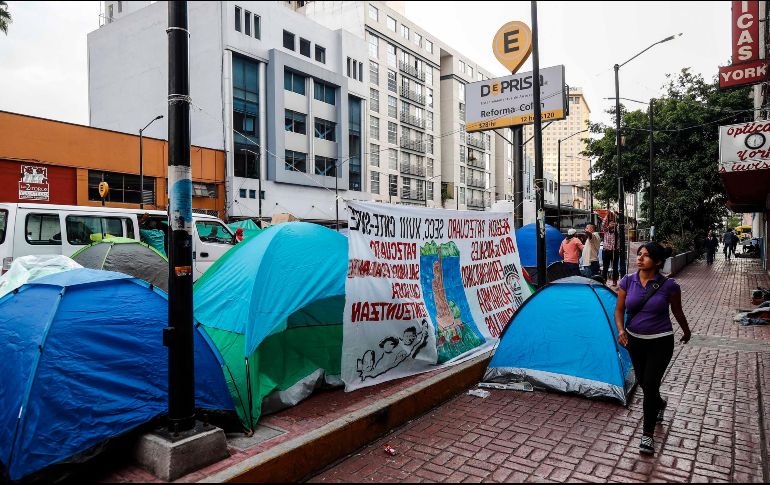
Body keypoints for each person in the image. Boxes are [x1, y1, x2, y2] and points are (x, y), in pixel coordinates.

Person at [614, 242, 691, 455]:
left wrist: (686, 331)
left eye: (646, 256)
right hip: (634, 341)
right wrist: (621, 330)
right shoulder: (627, 282)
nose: (640, 258)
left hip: (661, 341)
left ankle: (647, 435)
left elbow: (677, 310)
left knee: (650, 383)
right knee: (645, 383)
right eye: (639, 255)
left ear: (657, 262)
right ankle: (660, 403)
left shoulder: (669, 286)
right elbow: (619, 310)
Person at [602, 213, 620, 286]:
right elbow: (603, 224)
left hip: (615, 251)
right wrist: (606, 215)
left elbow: (622, 226)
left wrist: (616, 217)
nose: (612, 224)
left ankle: (615, 281)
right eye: (610, 223)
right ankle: (604, 281)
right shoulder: (606, 230)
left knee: (615, 267)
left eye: (613, 223)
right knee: (605, 267)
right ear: (608, 224)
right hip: (606, 251)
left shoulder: (617, 231)